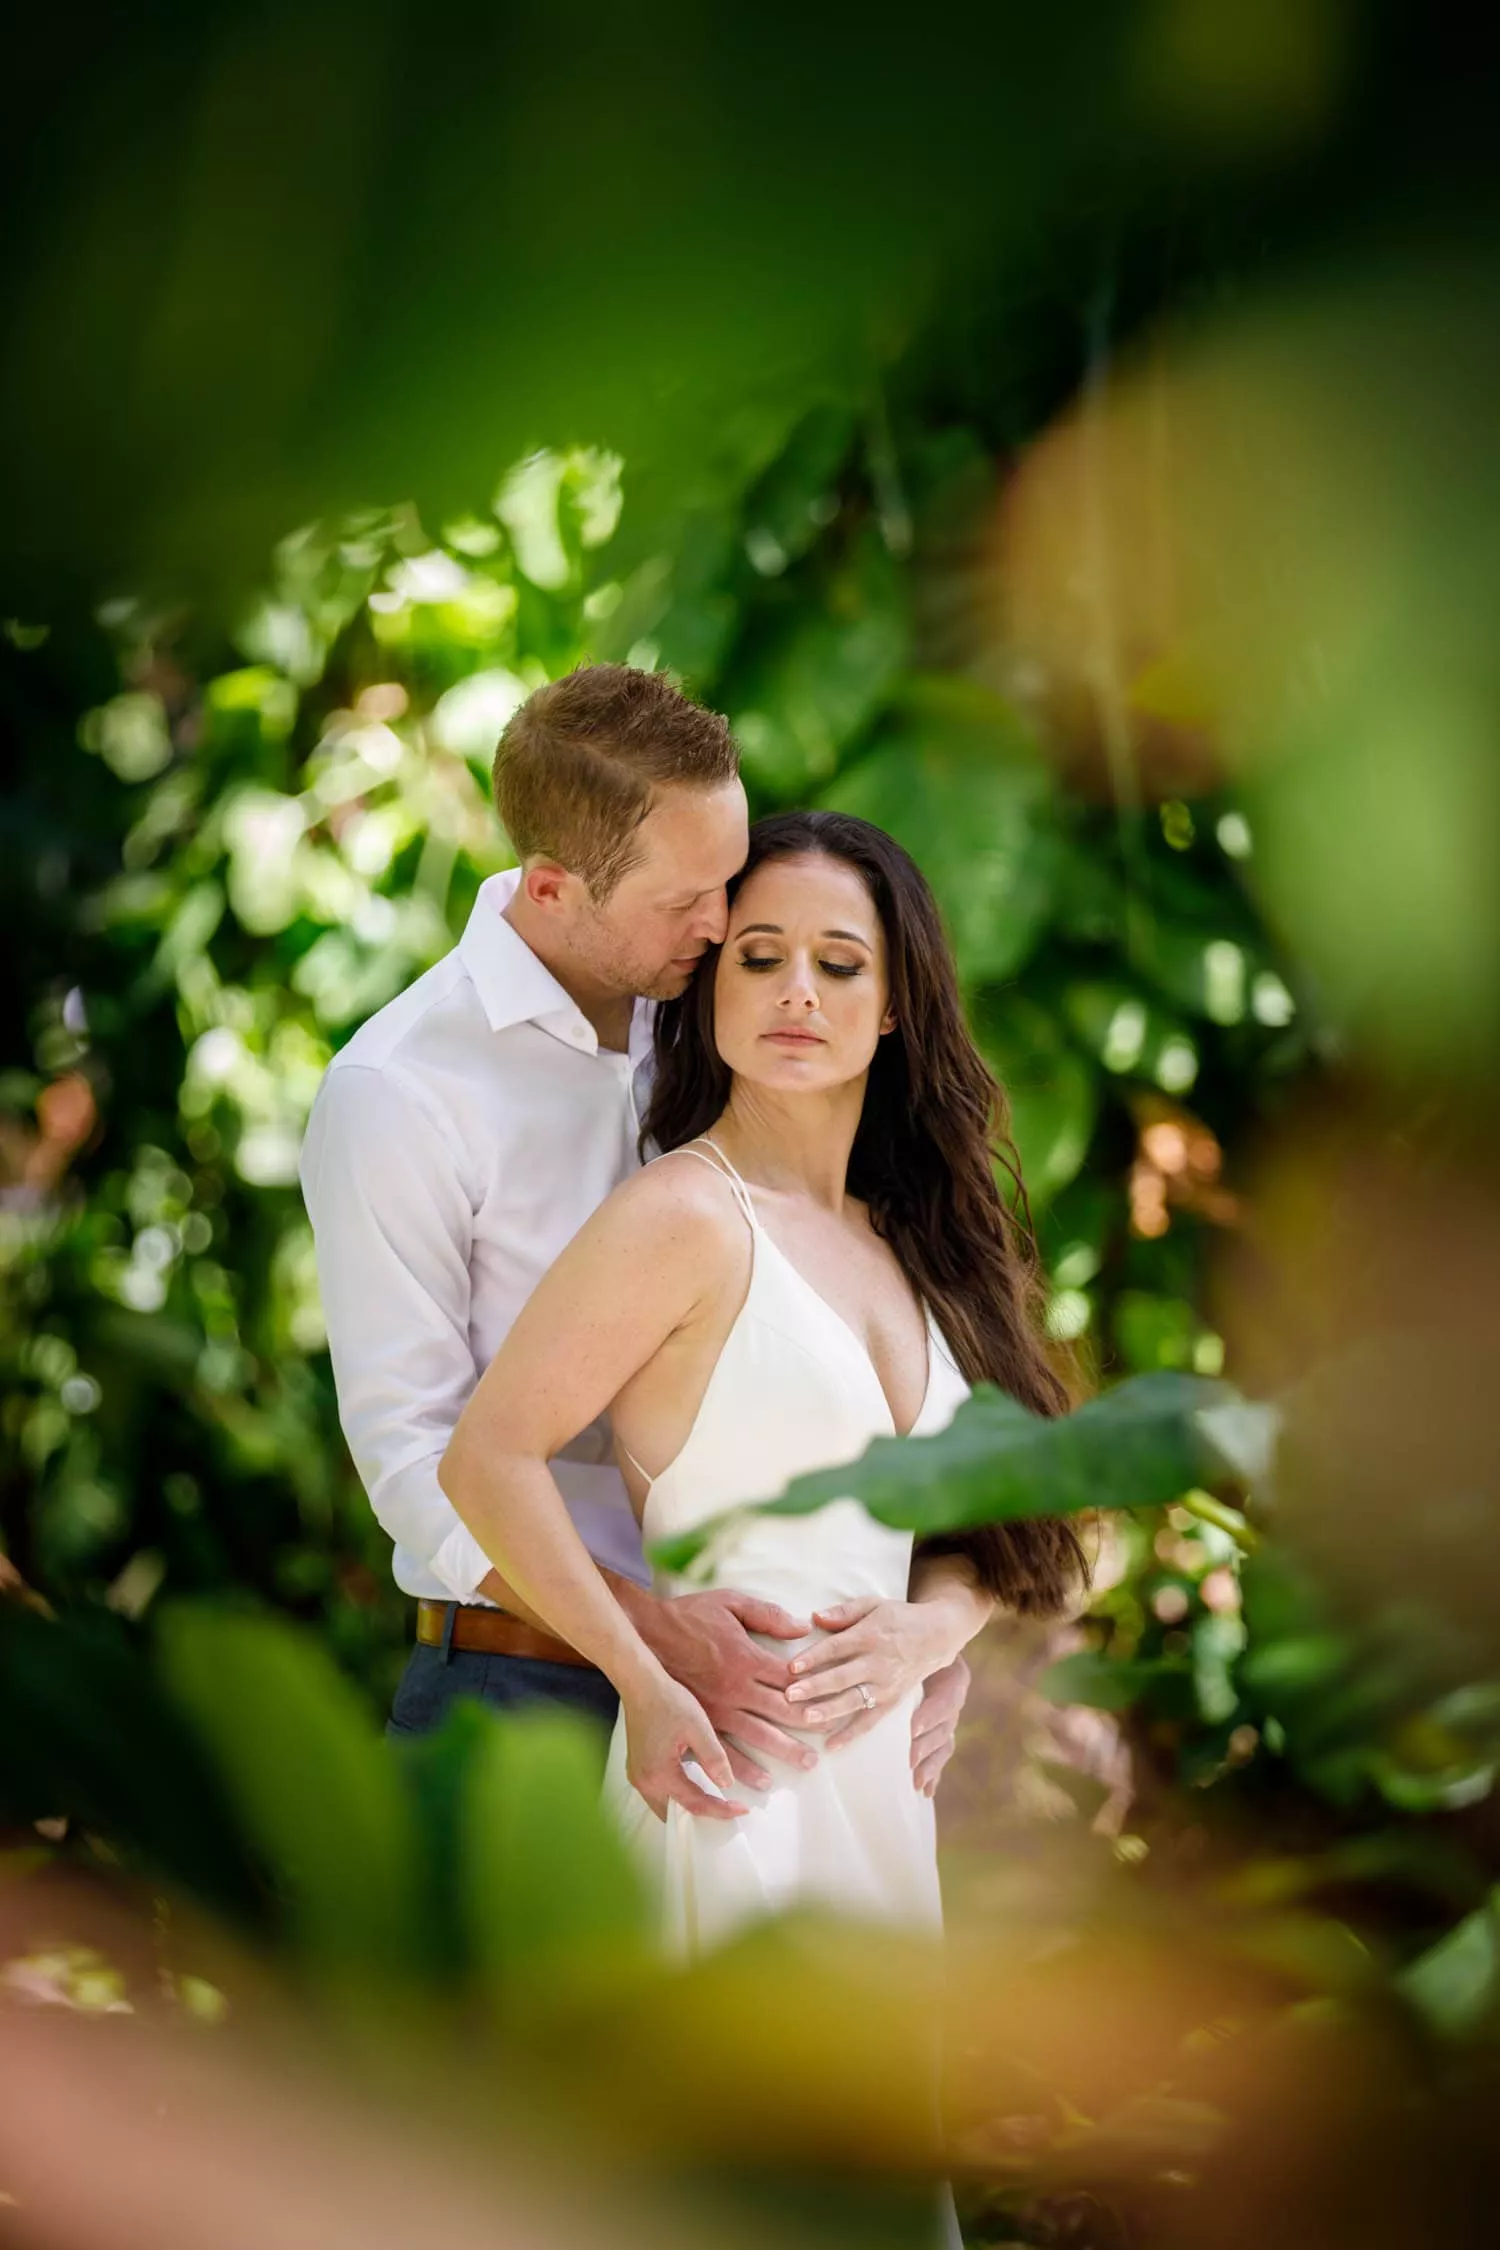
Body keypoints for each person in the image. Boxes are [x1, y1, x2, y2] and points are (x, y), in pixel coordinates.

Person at [300, 666, 973, 1798]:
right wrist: (645, 1634)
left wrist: (927, 1630)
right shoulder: (398, 1092)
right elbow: (413, 1458)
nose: (724, 927)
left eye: (730, 878)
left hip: (767, 1707)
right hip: (521, 1696)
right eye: (686, 902)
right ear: (554, 888)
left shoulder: (728, 1013)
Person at [440, 809, 1086, 1953]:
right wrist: (640, 1678)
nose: (796, 989)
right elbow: (485, 1458)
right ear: (712, 988)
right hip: (727, 1788)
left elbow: (1003, 1533)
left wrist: (929, 1640)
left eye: (838, 965)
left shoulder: (915, 1243)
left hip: (884, 1806)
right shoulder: (684, 1217)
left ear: (893, 1006)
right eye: (760, 957)